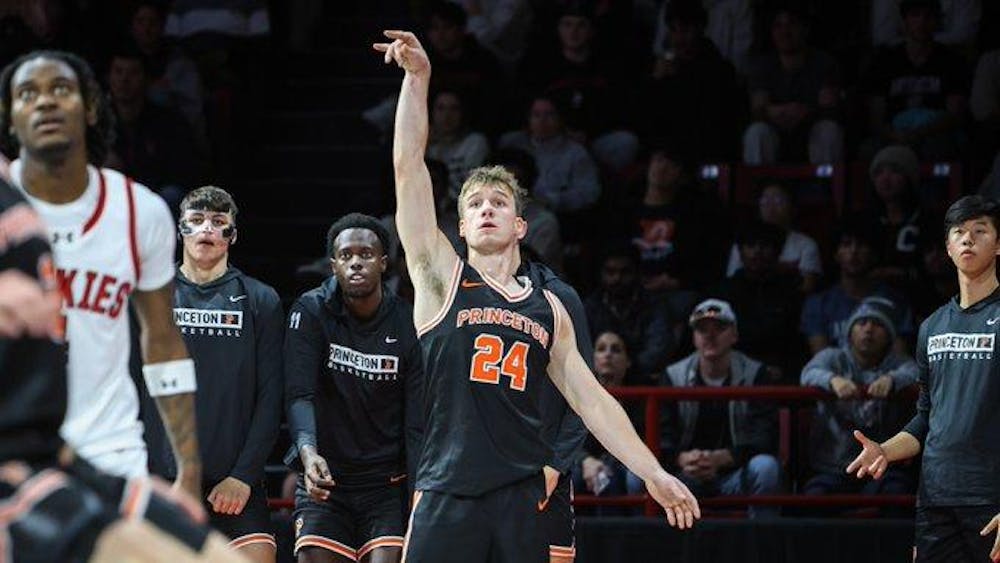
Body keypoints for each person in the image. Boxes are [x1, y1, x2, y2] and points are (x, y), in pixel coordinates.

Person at [374, 29, 699, 562]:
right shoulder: (440, 277)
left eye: (497, 202)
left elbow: (591, 400)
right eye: (474, 202)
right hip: (446, 488)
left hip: (523, 495)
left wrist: (652, 472)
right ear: (458, 224)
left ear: (521, 224)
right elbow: (408, 170)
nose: (484, 209)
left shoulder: (548, 305)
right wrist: (418, 79)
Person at [0, 173, 244, 562]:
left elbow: (163, 346)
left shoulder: (26, 195)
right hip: (20, 480)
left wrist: (167, 476)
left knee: (217, 556)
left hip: (60, 458)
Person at [0, 50, 202, 495]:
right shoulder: (4, 207)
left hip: (111, 451)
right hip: (11, 453)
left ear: (90, 107)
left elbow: (163, 342)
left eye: (61, 89)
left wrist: (188, 466)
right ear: (11, 119)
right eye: (28, 93)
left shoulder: (139, 210)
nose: (45, 102)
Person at [848, 195, 1000, 562]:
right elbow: (926, 417)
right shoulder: (931, 327)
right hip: (935, 500)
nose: (968, 239)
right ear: (947, 248)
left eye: (980, 231)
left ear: (999, 245)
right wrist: (885, 450)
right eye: (959, 232)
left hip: (992, 500)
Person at [143, 186, 283, 562]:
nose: (207, 228)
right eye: (197, 220)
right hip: (161, 478)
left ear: (232, 236)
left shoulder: (261, 300)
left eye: (219, 222)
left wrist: (243, 476)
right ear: (180, 230)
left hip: (233, 483)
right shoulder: (151, 295)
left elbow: (271, 396)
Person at [284, 213, 424, 563]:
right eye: (346, 256)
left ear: (383, 263)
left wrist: (418, 492)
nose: (356, 262)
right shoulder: (311, 310)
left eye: (366, 254)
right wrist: (307, 451)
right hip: (326, 481)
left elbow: (417, 417)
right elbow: (300, 394)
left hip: (386, 484)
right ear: (333, 265)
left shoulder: (408, 321)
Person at [660, 299, 782, 519]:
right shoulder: (673, 376)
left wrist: (724, 458)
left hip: (735, 473)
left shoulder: (757, 374)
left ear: (734, 334)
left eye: (720, 328)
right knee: (637, 474)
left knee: (766, 467)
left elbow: (764, 437)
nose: (710, 335)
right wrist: (680, 459)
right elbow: (661, 435)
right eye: (702, 329)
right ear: (694, 337)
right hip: (685, 474)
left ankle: (764, 547)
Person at [801, 299, 918, 502]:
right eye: (861, 323)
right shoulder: (833, 357)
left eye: (878, 324)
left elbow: (916, 372)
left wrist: (893, 379)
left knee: (898, 494)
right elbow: (808, 373)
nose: (869, 329)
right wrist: (832, 380)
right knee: (814, 498)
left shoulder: (897, 363)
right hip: (834, 468)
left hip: (882, 467)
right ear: (850, 332)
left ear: (889, 336)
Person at [724, 183, 822, 293]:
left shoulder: (806, 244)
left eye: (778, 201)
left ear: (792, 207)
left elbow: (807, 287)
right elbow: (732, 280)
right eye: (765, 201)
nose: (771, 207)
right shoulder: (744, 242)